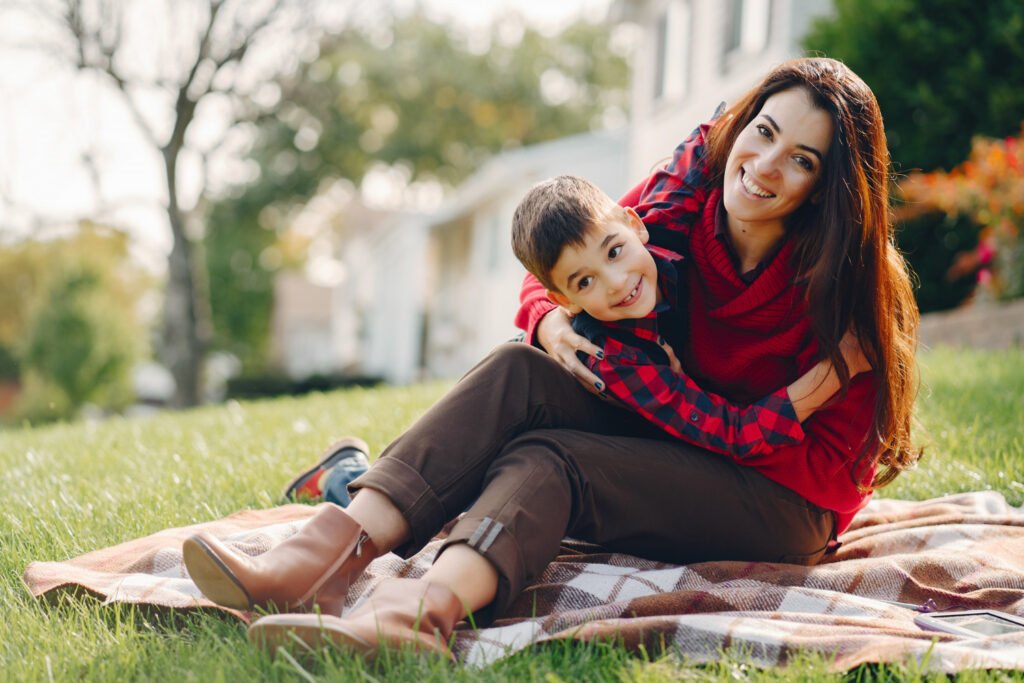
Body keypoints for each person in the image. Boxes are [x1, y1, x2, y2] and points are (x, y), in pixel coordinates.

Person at [182, 57, 920, 660]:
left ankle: (419, 613)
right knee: (517, 368)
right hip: (685, 426)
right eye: (762, 132)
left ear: (827, 186)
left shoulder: (850, 281)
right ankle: (323, 555)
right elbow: (566, 264)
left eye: (801, 160)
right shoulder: (681, 203)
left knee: (556, 458)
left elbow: (829, 467)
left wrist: (800, 398)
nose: (762, 165)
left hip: (781, 494)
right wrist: (546, 325)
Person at [509, 173, 869, 454]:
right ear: (565, 300)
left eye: (615, 252)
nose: (617, 283)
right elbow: (732, 432)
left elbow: (704, 142)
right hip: (535, 424)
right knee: (509, 366)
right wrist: (837, 370)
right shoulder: (615, 357)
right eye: (586, 281)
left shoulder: (667, 239)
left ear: (635, 225)